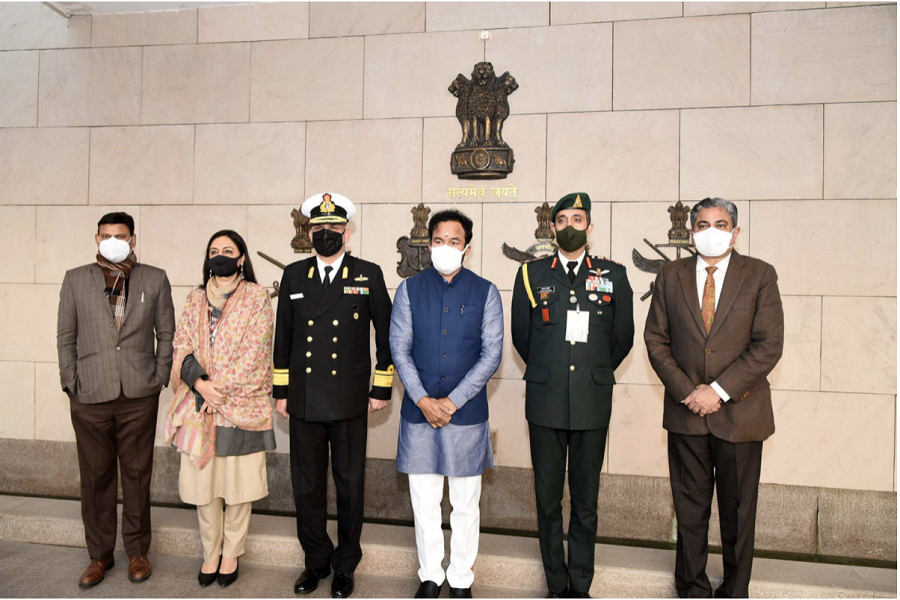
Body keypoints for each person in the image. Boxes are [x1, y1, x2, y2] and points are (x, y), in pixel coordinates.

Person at [644, 197, 784, 599]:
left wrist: (717, 391)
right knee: (690, 511)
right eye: (703, 225)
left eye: (720, 224)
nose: (711, 232)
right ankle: (691, 589)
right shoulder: (670, 276)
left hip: (741, 414)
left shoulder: (759, 275)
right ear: (692, 232)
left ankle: (735, 591)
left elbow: (768, 345)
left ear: (735, 231)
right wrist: (690, 392)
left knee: (739, 513)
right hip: (686, 413)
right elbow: (656, 340)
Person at [511, 193, 634, 598]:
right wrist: (551, 372)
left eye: (577, 219)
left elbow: (621, 339)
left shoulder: (613, 275)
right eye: (561, 218)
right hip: (544, 402)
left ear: (590, 227)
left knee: (585, 503)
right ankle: (555, 584)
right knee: (547, 502)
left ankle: (579, 587)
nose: (568, 225)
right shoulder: (530, 275)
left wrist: (591, 375)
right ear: (551, 227)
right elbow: (523, 338)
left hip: (591, 403)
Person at [273, 192, 394, 598]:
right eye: (318, 228)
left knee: (349, 485)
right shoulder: (294, 275)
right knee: (306, 485)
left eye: (334, 228)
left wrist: (381, 386)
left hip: (349, 398)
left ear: (347, 231)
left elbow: (387, 334)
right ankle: (315, 561)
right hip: (305, 397)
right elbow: (284, 337)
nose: (326, 234)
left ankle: (345, 565)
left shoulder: (368, 273)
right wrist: (281, 390)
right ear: (309, 232)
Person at [56, 211, 175, 588]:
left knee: (138, 475)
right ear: (96, 239)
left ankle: (138, 552)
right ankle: (100, 555)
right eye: (106, 235)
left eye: (120, 235)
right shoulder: (75, 279)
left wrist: (158, 377)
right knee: (95, 477)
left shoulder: (154, 278)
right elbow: (65, 337)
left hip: (139, 394)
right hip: (89, 395)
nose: (112, 240)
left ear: (133, 239)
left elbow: (166, 333)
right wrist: (70, 383)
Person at [390, 209, 503, 599]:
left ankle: (459, 579)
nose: (445, 247)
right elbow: (399, 348)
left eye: (454, 242)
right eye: (439, 240)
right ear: (429, 243)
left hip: (466, 415)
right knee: (423, 502)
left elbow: (491, 355)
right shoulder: (408, 290)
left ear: (466, 248)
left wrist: (450, 403)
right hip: (418, 414)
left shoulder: (486, 291)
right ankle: (430, 575)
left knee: (465, 503)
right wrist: (422, 399)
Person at [164, 230, 275, 588]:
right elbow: (181, 344)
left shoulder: (258, 298)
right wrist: (200, 384)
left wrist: (218, 392)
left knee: (239, 489)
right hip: (199, 408)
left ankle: (231, 554)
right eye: (215, 250)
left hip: (241, 409)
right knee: (204, 488)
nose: (221, 255)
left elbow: (256, 354)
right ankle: (210, 552)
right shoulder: (195, 298)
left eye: (229, 250)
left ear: (242, 258)